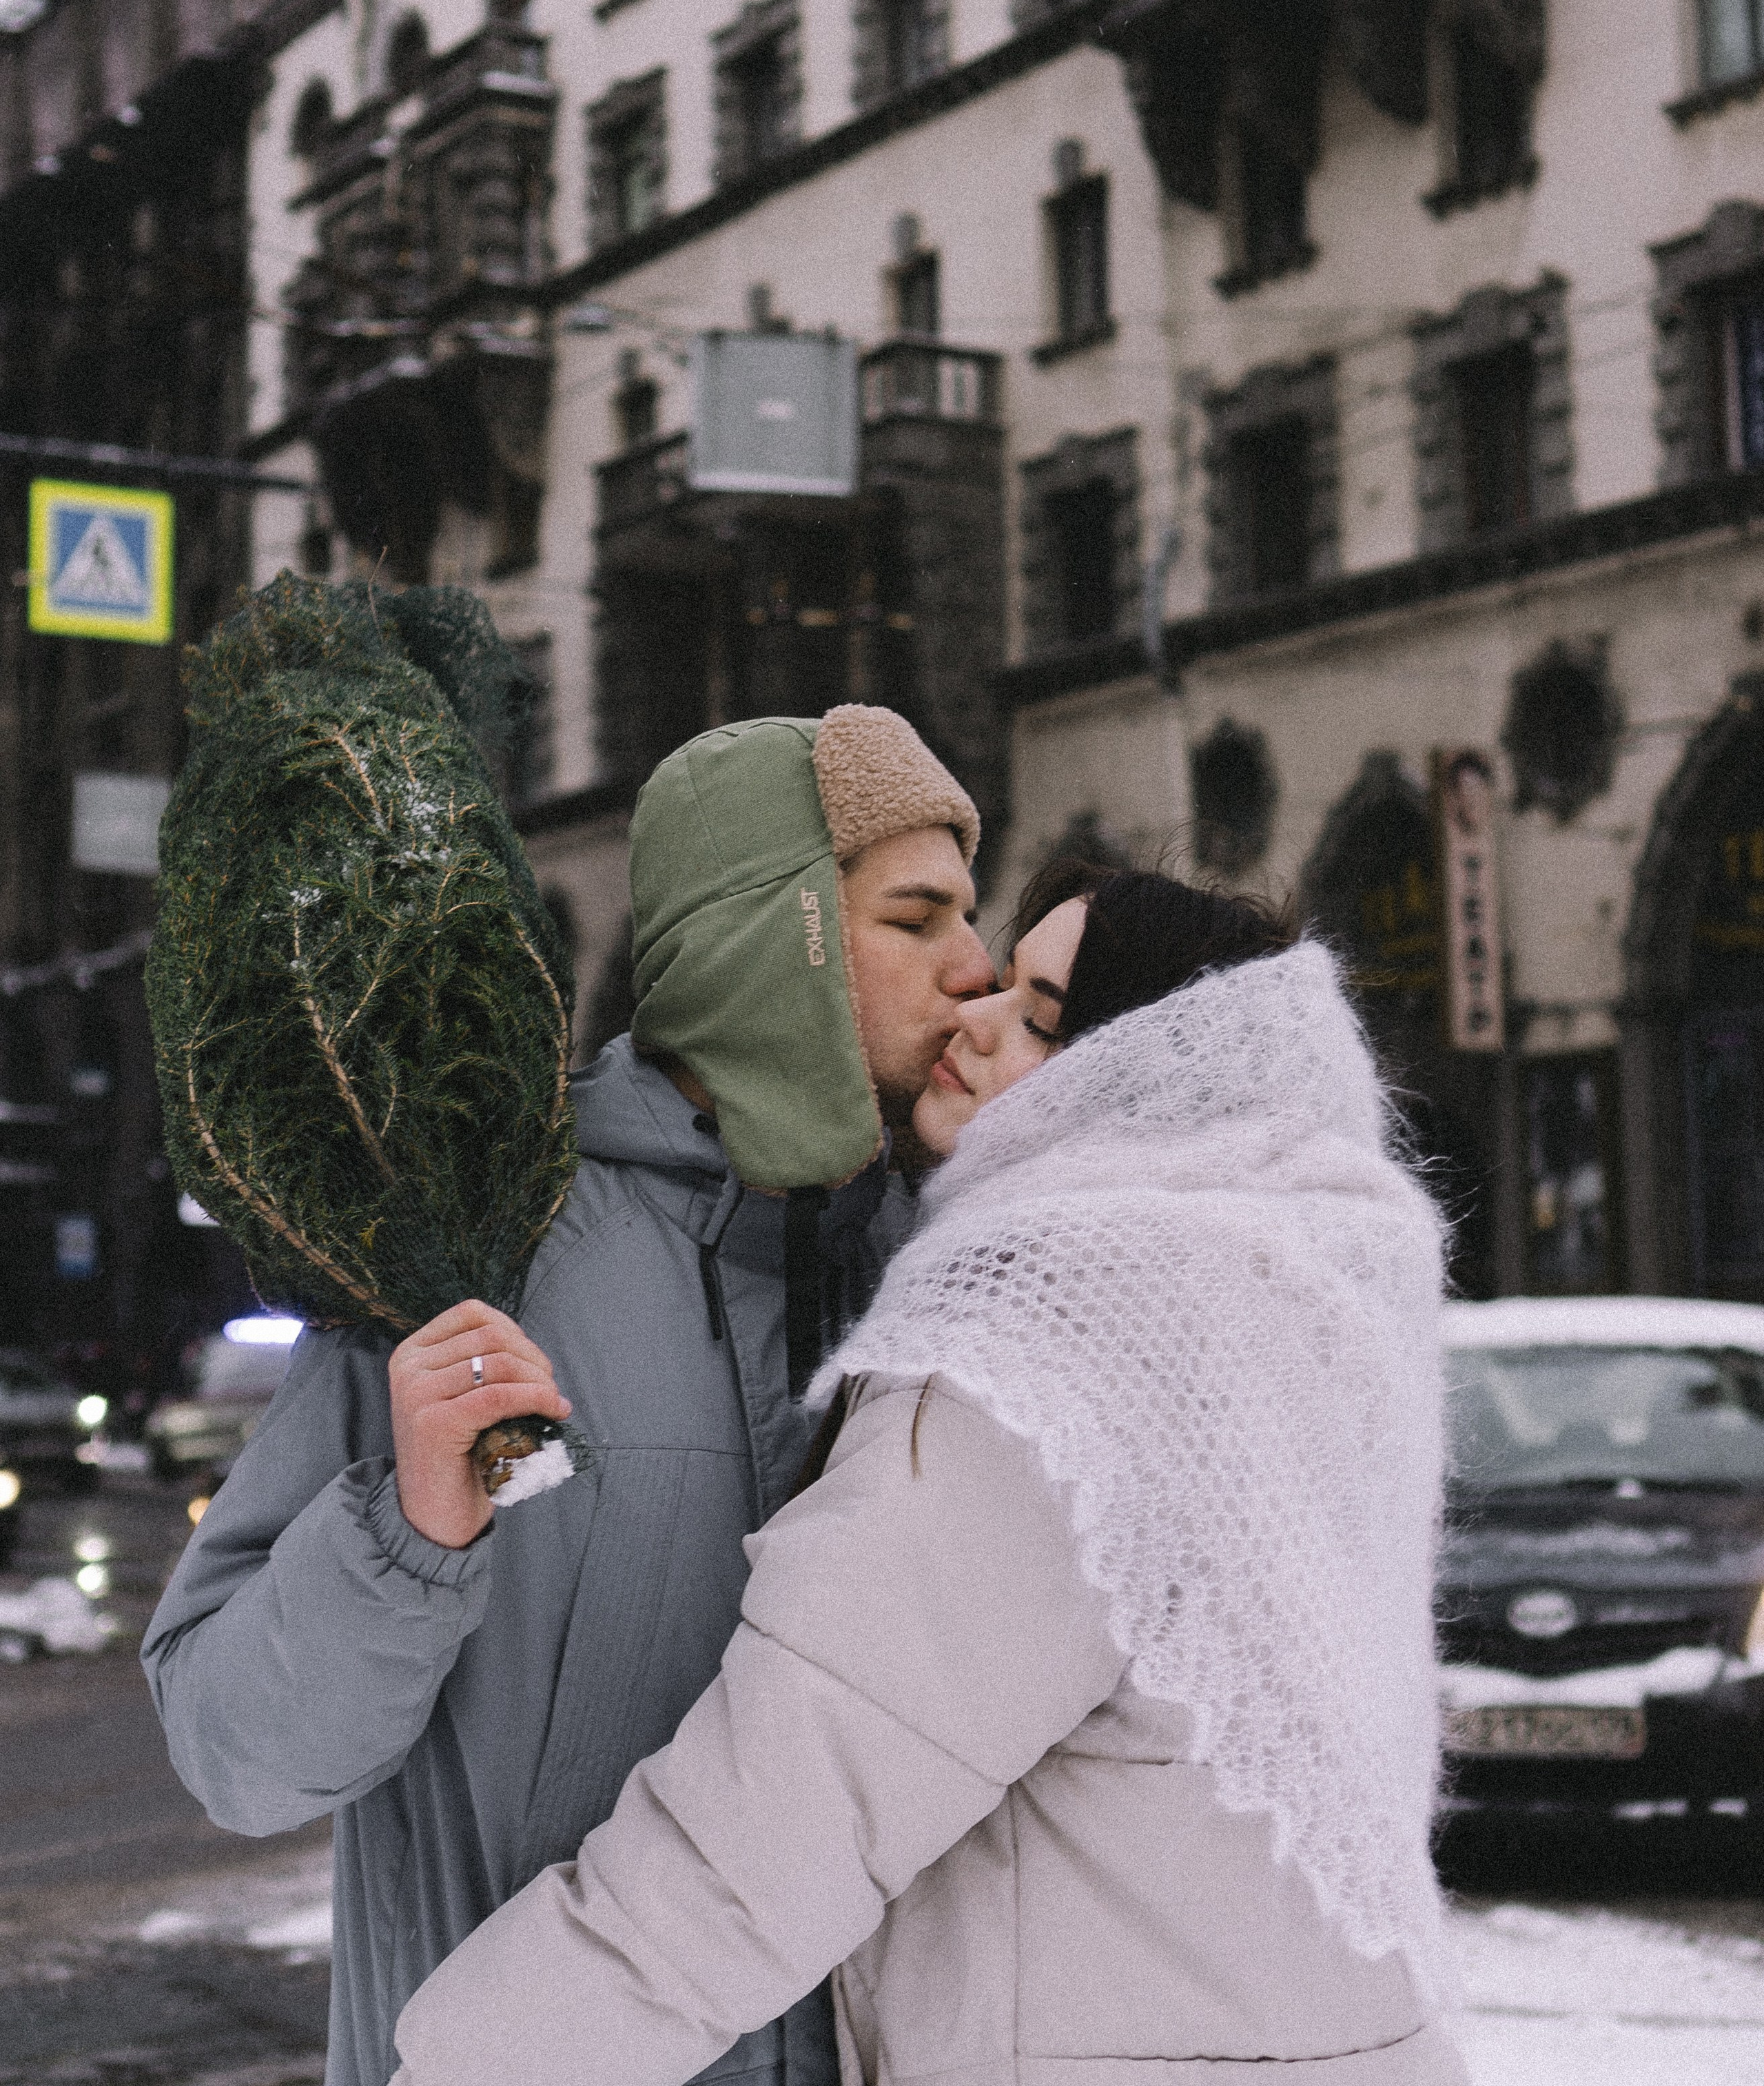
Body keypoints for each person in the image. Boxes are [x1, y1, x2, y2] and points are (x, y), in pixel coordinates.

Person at [390, 861, 1468, 2086]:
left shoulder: (1060, 1329)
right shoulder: (1290, 1300)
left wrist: (469, 2063)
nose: (976, 1016)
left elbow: (778, 1825)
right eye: (1002, 983)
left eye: (1045, 1018)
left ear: (1147, 1075)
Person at [143, 705, 992, 2086]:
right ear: (767, 942)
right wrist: (408, 1537)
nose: (975, 966)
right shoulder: (476, 1248)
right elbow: (237, 1758)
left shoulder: (944, 1269)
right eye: (916, 920)